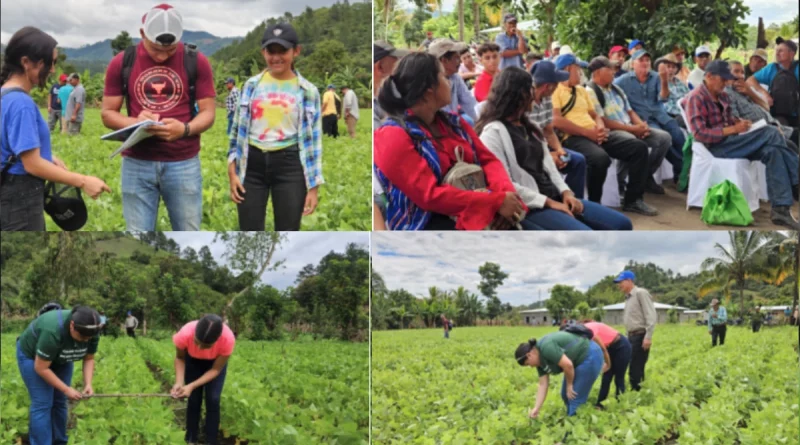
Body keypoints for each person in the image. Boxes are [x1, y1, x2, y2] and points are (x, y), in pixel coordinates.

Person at [373, 52, 524, 230]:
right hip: (429, 224)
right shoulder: (392, 136)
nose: (450, 83)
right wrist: (495, 202)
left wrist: (505, 195)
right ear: (429, 88)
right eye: (444, 77)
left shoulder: (455, 124)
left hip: (482, 209)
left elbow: (488, 161)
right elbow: (429, 196)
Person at [102, 4, 216, 232]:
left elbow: (209, 113)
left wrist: (184, 129)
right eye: (156, 49)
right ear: (143, 33)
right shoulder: (122, 62)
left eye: (170, 50)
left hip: (183, 163)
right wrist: (135, 122)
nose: (163, 56)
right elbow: (107, 113)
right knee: (138, 235)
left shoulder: (196, 60)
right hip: (137, 162)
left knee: (188, 232)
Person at [477, 66, 632, 230]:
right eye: (530, 89)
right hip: (532, 204)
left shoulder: (531, 127)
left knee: (622, 224)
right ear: (518, 94)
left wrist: (566, 192)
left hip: (554, 196)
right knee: (586, 236)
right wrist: (549, 203)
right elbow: (505, 184)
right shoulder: (492, 133)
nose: (533, 94)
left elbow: (549, 167)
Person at [1, 27, 110, 231]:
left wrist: (46, 156)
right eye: (48, 63)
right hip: (19, 200)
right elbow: (32, 165)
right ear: (26, 62)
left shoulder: (4, 95)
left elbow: (8, 145)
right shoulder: (20, 103)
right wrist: (83, 181)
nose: (52, 69)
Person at [228, 22, 323, 232]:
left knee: (288, 230)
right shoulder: (251, 86)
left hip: (290, 166)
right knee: (249, 231)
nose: (276, 57)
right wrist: (232, 172)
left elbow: (314, 141)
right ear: (263, 52)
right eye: (271, 51)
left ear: (296, 51)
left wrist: (313, 186)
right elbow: (236, 132)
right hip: (251, 166)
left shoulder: (308, 91)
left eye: (283, 51)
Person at [684, 60, 800, 229]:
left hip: (734, 141)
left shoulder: (722, 95)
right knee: (771, 132)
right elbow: (700, 133)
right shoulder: (696, 98)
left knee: (773, 151)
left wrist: (740, 123)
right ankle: (796, 179)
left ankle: (780, 210)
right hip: (716, 147)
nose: (726, 83)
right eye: (722, 79)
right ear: (708, 76)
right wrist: (732, 129)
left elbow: (729, 119)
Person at [551, 54, 657, 215]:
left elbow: (595, 115)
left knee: (638, 148)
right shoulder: (556, 90)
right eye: (578, 69)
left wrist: (599, 128)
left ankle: (633, 200)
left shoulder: (581, 90)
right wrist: (588, 133)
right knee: (600, 159)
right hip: (573, 137)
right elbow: (557, 120)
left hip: (594, 133)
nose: (581, 73)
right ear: (567, 69)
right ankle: (594, 203)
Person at [16, 305, 101, 445]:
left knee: (60, 401)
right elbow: (41, 368)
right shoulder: (53, 330)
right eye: (82, 336)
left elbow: (89, 358)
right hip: (33, 357)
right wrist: (67, 389)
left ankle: (59, 441)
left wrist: (88, 383)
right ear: (72, 325)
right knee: (43, 403)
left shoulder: (91, 330)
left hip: (62, 356)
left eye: (89, 337)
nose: (85, 340)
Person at [586, 56, 671, 196]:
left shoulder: (616, 88)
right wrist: (633, 130)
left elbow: (630, 111)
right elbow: (602, 121)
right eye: (610, 69)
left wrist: (641, 126)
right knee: (633, 142)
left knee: (664, 138)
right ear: (598, 72)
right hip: (611, 131)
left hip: (630, 127)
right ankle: (625, 188)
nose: (614, 72)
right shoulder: (590, 91)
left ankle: (646, 177)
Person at [615, 50, 685, 182]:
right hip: (643, 119)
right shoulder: (624, 80)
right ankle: (651, 175)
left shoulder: (656, 76)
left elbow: (663, 98)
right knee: (665, 141)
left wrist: (664, 80)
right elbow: (609, 87)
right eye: (641, 60)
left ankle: (679, 174)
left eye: (647, 60)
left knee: (679, 137)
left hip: (661, 115)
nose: (645, 63)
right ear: (632, 64)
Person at [171, 314, 235, 445]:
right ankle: (190, 439)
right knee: (193, 399)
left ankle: (211, 440)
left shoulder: (227, 340)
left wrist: (191, 385)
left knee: (213, 399)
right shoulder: (184, 334)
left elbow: (216, 370)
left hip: (214, 366)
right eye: (196, 342)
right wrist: (179, 382)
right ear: (194, 334)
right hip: (192, 362)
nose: (200, 348)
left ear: (217, 340)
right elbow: (180, 358)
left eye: (206, 346)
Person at [514, 330, 609, 418]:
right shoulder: (540, 363)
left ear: (529, 355)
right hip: (577, 361)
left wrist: (570, 385)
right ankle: (572, 417)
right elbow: (543, 385)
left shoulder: (546, 348)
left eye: (527, 364)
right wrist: (537, 408)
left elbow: (567, 365)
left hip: (590, 355)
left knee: (574, 397)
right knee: (565, 395)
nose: (530, 366)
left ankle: (574, 426)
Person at [528, 60, 587, 199]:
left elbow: (548, 131)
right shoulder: (525, 103)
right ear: (547, 86)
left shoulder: (546, 98)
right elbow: (523, 142)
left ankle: (574, 202)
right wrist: (547, 157)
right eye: (556, 83)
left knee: (578, 161)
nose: (559, 85)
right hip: (528, 153)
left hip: (542, 147)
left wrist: (559, 150)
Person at [726, 61, 797, 150]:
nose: (740, 76)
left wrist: (750, 92)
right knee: (792, 147)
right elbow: (737, 123)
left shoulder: (745, 90)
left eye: (742, 72)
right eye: (736, 71)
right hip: (764, 133)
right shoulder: (727, 93)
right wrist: (770, 130)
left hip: (780, 128)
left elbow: (767, 108)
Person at [614, 270, 656, 391]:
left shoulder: (640, 293)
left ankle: (636, 391)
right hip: (631, 336)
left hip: (640, 335)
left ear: (629, 281)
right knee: (634, 364)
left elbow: (650, 315)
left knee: (635, 366)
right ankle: (638, 388)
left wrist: (648, 336)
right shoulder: (628, 298)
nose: (619, 285)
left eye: (620, 282)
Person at [747, 37, 799, 128]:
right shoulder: (772, 68)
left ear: (792, 54)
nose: (777, 53)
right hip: (778, 114)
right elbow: (750, 80)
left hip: (797, 113)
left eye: (781, 51)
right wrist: (765, 94)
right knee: (783, 132)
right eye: (777, 50)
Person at [428, 39, 479, 126]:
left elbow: (469, 103)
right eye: (456, 58)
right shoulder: (430, 82)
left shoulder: (455, 78)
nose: (460, 62)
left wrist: (484, 121)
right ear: (444, 61)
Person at [582, 321, 631, 407]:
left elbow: (602, 348)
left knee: (619, 377)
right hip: (609, 348)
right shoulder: (582, 332)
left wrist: (607, 364)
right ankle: (599, 405)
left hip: (622, 346)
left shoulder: (589, 331)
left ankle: (620, 405)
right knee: (606, 377)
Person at [655, 53, 690, 127]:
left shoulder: (680, 83)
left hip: (687, 112)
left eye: (673, 67)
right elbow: (662, 101)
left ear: (676, 69)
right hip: (672, 115)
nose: (671, 69)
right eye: (668, 66)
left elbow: (690, 97)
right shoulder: (658, 82)